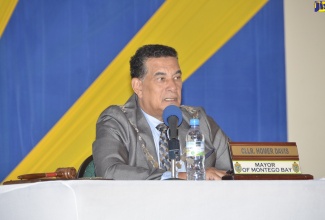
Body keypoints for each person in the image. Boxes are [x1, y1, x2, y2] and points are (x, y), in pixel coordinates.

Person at [92, 44, 232, 180]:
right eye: (161, 79)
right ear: (138, 87)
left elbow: (237, 169)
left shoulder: (198, 120)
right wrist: (176, 177)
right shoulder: (117, 120)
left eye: (177, 78)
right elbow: (109, 171)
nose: (173, 86)